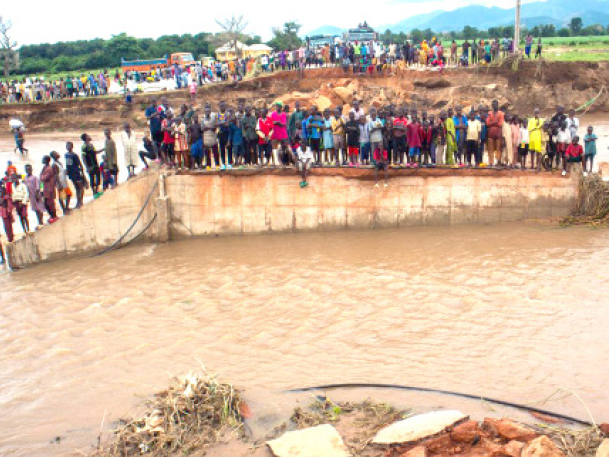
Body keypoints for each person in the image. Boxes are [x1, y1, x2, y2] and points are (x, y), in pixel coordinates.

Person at [65, 142, 86, 209]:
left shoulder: (74, 155)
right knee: (76, 188)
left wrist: (83, 174)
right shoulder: (66, 155)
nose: (68, 147)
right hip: (71, 174)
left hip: (76, 173)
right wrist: (67, 171)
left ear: (72, 147)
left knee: (80, 187)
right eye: (67, 146)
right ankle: (78, 201)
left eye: (69, 146)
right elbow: (67, 164)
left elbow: (80, 164)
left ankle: (80, 201)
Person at [40, 155, 59, 223]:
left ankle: (54, 216)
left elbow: (43, 178)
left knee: (50, 203)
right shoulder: (44, 167)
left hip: (49, 188)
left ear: (46, 160)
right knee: (46, 203)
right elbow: (41, 179)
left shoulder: (49, 169)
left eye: (43, 159)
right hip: (45, 188)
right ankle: (51, 216)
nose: (42, 160)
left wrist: (41, 176)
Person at [486, 100, 504, 166]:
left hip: (498, 134)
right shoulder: (489, 113)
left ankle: (498, 162)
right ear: (492, 105)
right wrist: (495, 122)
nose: (494, 105)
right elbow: (487, 123)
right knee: (490, 149)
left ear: (498, 105)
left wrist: (492, 123)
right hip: (490, 134)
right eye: (493, 104)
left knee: (498, 149)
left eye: (495, 104)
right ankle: (490, 163)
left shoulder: (501, 113)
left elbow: (500, 124)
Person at [270, 102, 288, 167]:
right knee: (274, 148)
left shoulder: (284, 114)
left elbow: (283, 124)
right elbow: (271, 122)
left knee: (284, 148)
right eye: (276, 106)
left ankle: (283, 161)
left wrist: (277, 122)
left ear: (281, 107)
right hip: (275, 133)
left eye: (278, 106)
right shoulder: (273, 114)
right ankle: (274, 162)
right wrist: (277, 122)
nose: (276, 107)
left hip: (282, 133)